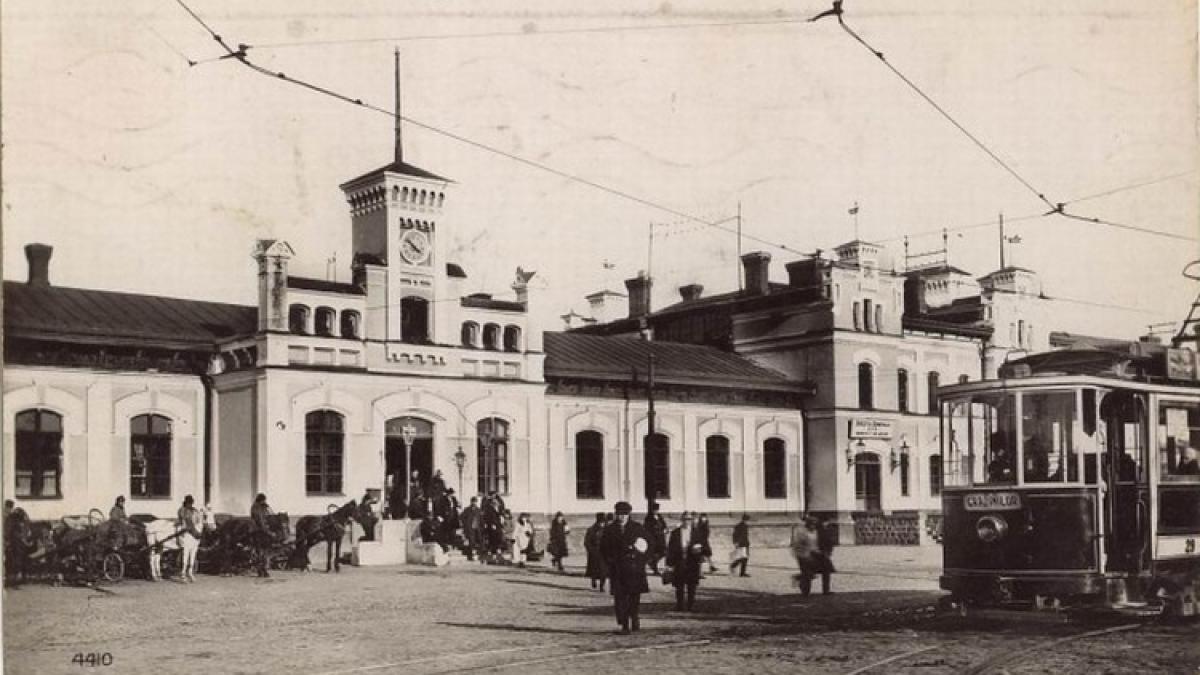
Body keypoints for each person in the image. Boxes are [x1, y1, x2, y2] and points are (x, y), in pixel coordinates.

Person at [600, 501, 650, 634]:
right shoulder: (610, 530)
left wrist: (642, 560)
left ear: (629, 515)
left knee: (634, 596)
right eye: (619, 514)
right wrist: (609, 562)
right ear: (616, 514)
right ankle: (625, 624)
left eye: (624, 514)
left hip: (634, 569)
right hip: (617, 569)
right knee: (620, 597)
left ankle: (634, 618)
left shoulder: (637, 528)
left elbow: (649, 544)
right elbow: (603, 548)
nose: (621, 517)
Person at [665, 512, 711, 611]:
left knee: (692, 585)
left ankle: (690, 605)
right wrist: (669, 564)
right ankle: (680, 605)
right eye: (685, 519)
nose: (687, 521)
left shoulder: (697, 532)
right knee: (679, 585)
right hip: (679, 561)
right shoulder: (676, 533)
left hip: (692, 562)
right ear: (681, 520)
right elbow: (670, 549)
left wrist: (701, 551)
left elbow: (706, 547)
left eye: (689, 519)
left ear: (692, 520)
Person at [177, 494, 204, 583]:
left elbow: (198, 519)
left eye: (191, 502)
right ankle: (183, 573)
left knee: (193, 553)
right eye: (189, 502)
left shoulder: (194, 510)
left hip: (193, 531)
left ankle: (190, 572)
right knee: (186, 552)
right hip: (184, 530)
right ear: (186, 502)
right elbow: (184, 520)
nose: (190, 504)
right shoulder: (182, 510)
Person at [790, 516, 818, 596]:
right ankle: (806, 592)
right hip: (802, 555)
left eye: (815, 524)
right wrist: (802, 553)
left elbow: (815, 543)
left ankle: (798, 578)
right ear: (808, 524)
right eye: (812, 524)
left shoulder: (815, 532)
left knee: (811, 573)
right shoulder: (802, 532)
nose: (814, 526)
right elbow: (797, 544)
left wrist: (816, 550)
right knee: (807, 573)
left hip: (812, 555)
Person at [249, 493, 274, 578]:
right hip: (257, 530)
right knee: (260, 551)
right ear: (260, 500)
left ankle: (264, 569)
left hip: (263, 530)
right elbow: (260, 520)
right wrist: (268, 532)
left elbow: (267, 516)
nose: (265, 501)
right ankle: (261, 570)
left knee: (264, 552)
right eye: (264, 500)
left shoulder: (263, 507)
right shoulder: (255, 507)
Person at [584, 512, 609, 590]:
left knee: (604, 571)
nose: (602, 524)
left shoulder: (608, 530)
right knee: (594, 570)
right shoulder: (591, 530)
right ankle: (593, 580)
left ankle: (602, 586)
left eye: (603, 522)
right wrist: (591, 550)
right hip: (594, 553)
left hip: (604, 553)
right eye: (601, 522)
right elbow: (587, 542)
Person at [814, 517, 837, 595]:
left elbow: (830, 542)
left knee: (826, 572)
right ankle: (825, 590)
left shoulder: (824, 530)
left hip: (824, 553)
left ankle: (826, 589)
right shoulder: (820, 531)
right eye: (826, 522)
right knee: (826, 572)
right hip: (821, 554)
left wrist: (829, 551)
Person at [643, 502, 667, 575]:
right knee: (654, 553)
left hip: (661, 538)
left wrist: (665, 529)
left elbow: (664, 525)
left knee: (663, 553)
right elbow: (646, 528)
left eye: (657, 510)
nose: (656, 511)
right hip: (653, 538)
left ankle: (652, 563)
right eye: (654, 510)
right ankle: (655, 568)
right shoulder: (648, 518)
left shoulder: (659, 516)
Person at [461, 496, 482, 561]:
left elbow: (481, 519)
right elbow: (462, 517)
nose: (474, 503)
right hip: (470, 528)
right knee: (471, 541)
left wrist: (482, 526)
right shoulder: (467, 509)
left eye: (475, 502)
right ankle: (470, 555)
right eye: (473, 501)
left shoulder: (478, 510)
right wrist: (466, 525)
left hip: (477, 528)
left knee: (478, 541)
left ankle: (477, 554)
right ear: (471, 502)